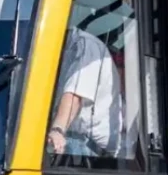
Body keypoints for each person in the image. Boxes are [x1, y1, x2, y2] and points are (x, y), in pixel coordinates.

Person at [48, 22, 121, 158]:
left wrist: (57, 129)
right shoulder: (59, 49)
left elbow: (75, 94)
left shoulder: (85, 45)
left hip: (83, 146)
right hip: (74, 140)